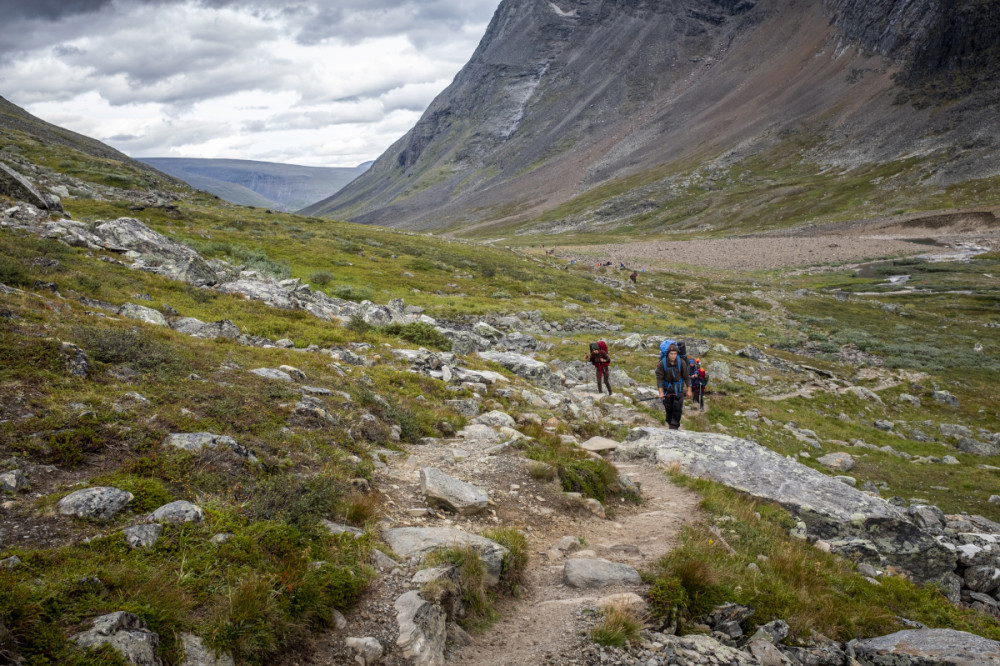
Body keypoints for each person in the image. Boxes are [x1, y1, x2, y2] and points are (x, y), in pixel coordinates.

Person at [656, 343, 691, 429]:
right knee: (668, 409)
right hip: (667, 390)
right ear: (668, 354)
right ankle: (669, 422)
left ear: (677, 354)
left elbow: (687, 377)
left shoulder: (681, 363)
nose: (673, 356)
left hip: (678, 389)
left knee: (677, 408)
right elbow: (659, 379)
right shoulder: (662, 364)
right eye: (671, 354)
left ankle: (674, 427)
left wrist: (689, 390)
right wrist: (661, 392)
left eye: (675, 354)